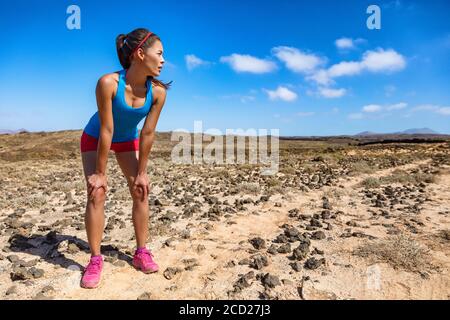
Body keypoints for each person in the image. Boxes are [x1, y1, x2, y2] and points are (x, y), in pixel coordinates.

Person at [79, 27, 171, 289]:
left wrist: (142, 172)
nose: (164, 60)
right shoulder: (108, 83)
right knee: (97, 192)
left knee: (141, 190)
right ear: (140, 53)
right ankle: (95, 259)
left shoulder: (158, 92)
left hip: (127, 140)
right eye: (160, 53)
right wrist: (100, 173)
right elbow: (106, 130)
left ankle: (141, 252)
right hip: (96, 138)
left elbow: (148, 133)